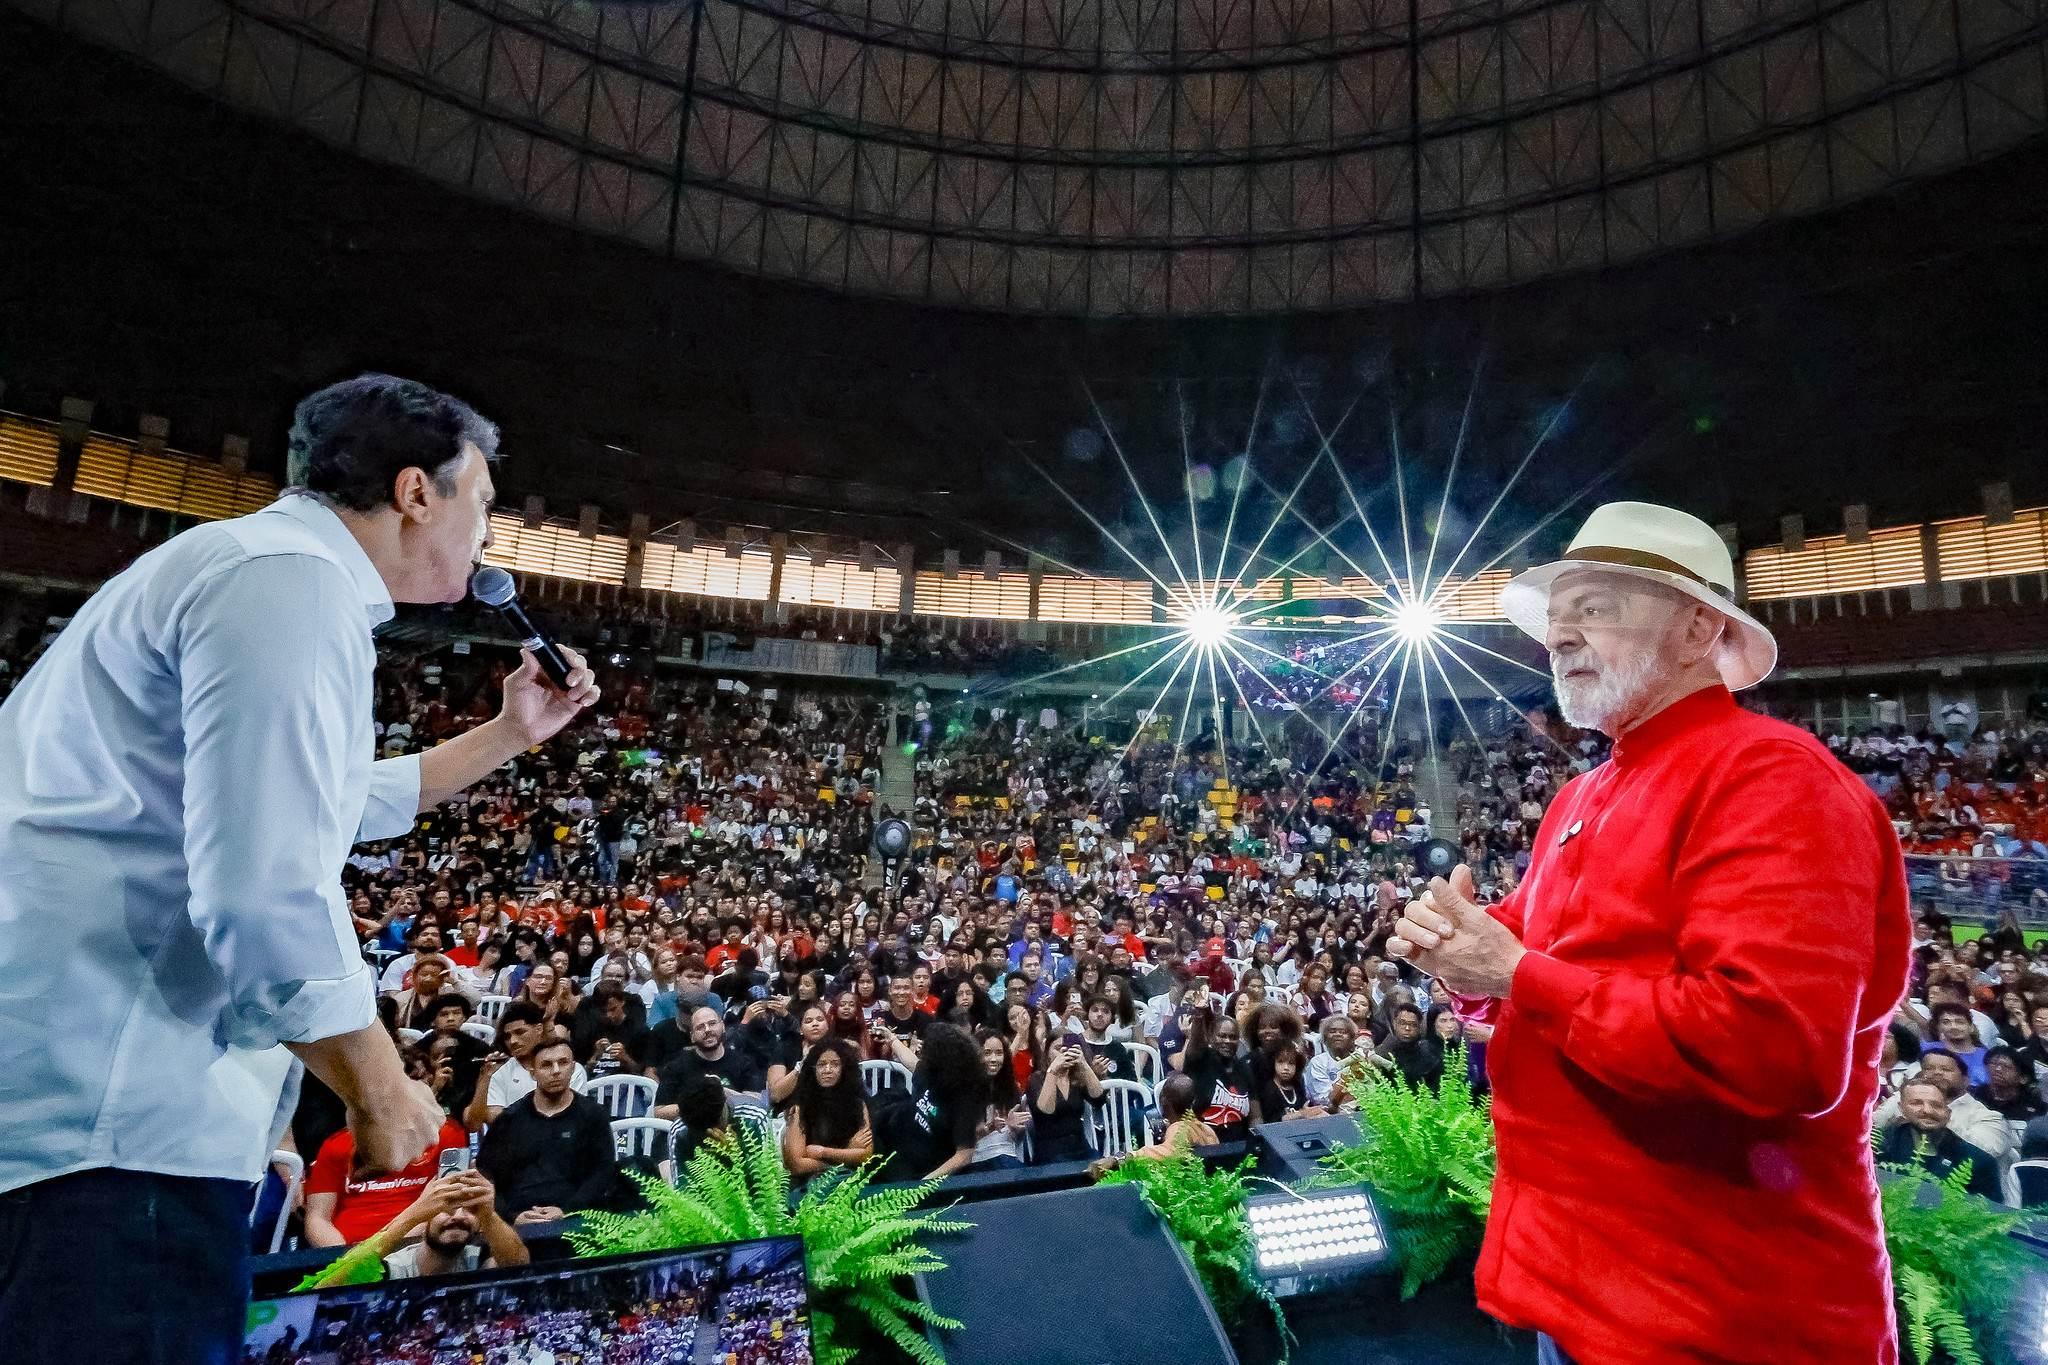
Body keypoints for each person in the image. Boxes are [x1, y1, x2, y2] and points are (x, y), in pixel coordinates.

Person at [0, 374, 598, 1361]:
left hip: (77, 1114)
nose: (487, 535)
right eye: (484, 503)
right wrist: (380, 1086)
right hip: (111, 1126)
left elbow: (336, 800)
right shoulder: (290, 582)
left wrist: (507, 733)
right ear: (417, 492)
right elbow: (263, 886)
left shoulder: (254, 567)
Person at [1390, 502, 1911, 1365]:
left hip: (1719, 1318)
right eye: (1556, 617)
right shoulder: (1582, 793)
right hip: (1587, 1292)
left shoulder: (1774, 779)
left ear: (1698, 628)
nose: (1558, 634)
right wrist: (1459, 953)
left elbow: (1773, 1048)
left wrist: (1515, 972)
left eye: (1593, 607)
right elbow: (1524, 965)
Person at [476, 1038, 620, 1224]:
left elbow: (603, 1171)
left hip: (577, 1219)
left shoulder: (593, 1115)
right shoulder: (509, 1119)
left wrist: (567, 1211)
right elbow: (486, 1174)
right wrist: (512, 1217)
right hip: (519, 1219)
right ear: (532, 1073)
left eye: (563, 1063)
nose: (556, 1071)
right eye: (546, 1065)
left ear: (573, 1067)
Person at [302, 1113, 471, 1246]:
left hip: (414, 1246)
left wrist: (383, 1249)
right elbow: (317, 1219)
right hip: (348, 1255)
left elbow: (447, 1203)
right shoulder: (336, 1144)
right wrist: (347, 1259)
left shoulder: (447, 1133)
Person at [345, 1168, 531, 1278]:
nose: (458, 1215)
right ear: (426, 1216)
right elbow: (337, 1280)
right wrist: (413, 1214)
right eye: (447, 1206)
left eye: (470, 1208)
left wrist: (488, 1215)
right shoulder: (393, 1269)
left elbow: (518, 1265)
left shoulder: (477, 1258)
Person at [876, 1022, 985, 1182]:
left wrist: (923, 1184)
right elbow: (912, 1062)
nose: (922, 1052)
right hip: (900, 1146)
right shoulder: (929, 1072)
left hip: (926, 1168)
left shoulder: (964, 1100)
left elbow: (964, 1154)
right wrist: (892, 1039)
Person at [1875, 1076, 2005, 1203]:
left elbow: (1991, 1213)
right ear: (1901, 1109)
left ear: (1948, 1113)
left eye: (1936, 1105)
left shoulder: (1978, 1161)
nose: (1927, 1110)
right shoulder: (1878, 1148)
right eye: (1916, 1103)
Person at [469, 1000, 590, 1128]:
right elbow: (494, 1118)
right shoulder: (498, 1071)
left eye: (520, 1032)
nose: (513, 1041)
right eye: (507, 1036)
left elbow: (574, 1116)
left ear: (539, 1029)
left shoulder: (571, 1068)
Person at [653, 1006, 778, 1120]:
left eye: (712, 1023)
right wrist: (696, 1104)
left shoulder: (744, 1062)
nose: (707, 1030)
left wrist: (721, 1093)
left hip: (735, 1130)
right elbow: (659, 1111)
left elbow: (756, 1104)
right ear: (692, 1036)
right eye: (700, 1027)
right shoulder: (676, 1066)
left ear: (723, 1026)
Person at [780, 1038, 873, 1181]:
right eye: (821, 1064)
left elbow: (866, 1155)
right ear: (813, 1069)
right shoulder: (800, 1107)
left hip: (851, 1181)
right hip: (811, 1184)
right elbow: (797, 1165)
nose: (827, 1070)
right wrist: (847, 1155)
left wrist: (823, 1152)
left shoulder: (858, 1104)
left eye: (835, 1064)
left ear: (845, 1068)